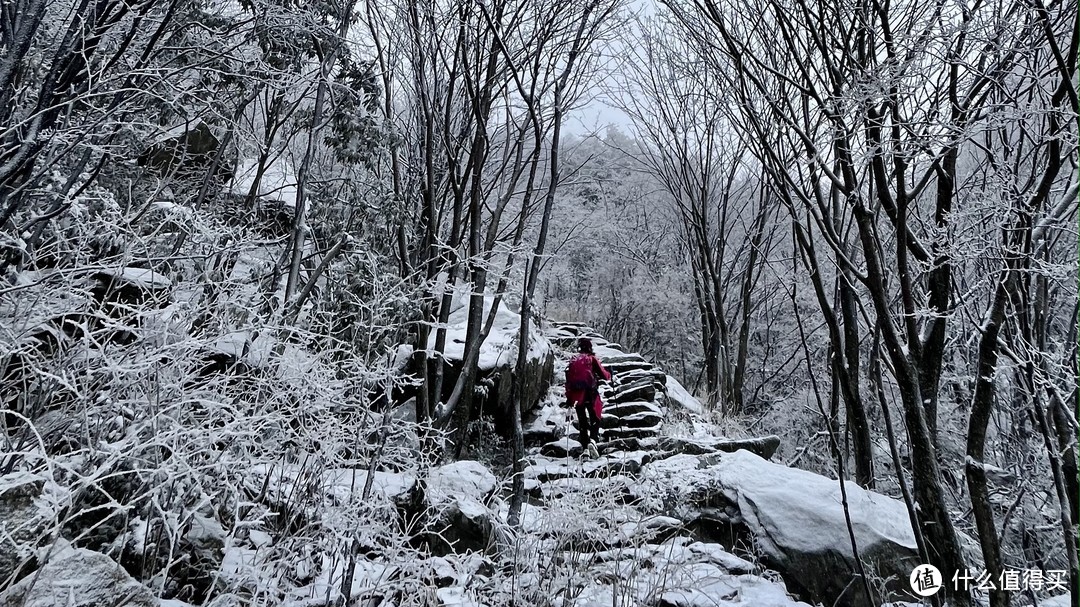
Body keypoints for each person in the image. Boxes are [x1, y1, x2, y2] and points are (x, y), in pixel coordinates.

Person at [564, 337, 611, 458]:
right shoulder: (591, 359)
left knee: (582, 421)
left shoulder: (573, 360)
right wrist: (609, 373)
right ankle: (593, 441)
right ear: (590, 347)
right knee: (595, 416)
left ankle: (585, 447)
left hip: (576, 395)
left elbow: (568, 378)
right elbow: (605, 376)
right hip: (590, 393)